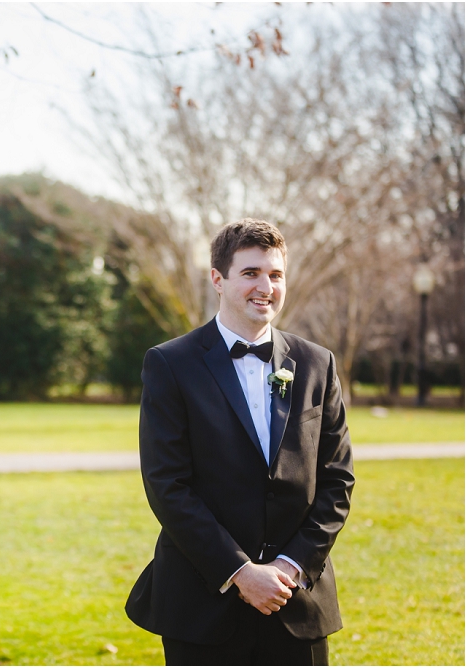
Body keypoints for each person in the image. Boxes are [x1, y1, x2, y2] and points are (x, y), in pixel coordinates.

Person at [125, 219, 355, 665]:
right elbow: (167, 485)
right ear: (218, 278)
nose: (265, 286)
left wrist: (289, 567)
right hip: (202, 601)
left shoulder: (317, 364)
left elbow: (337, 480)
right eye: (250, 273)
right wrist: (241, 572)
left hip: (297, 601)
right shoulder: (170, 364)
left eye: (275, 274)